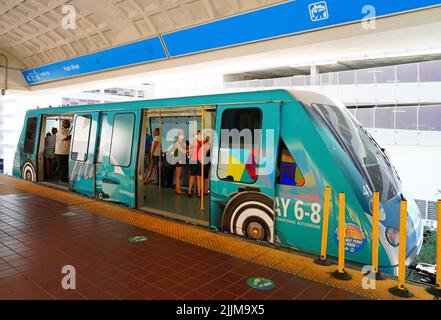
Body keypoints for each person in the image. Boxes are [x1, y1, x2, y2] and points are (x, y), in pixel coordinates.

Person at [167, 130, 187, 195]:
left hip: (180, 160)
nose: (183, 136)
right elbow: (183, 151)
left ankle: (177, 188)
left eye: (183, 134)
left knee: (179, 174)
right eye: (181, 134)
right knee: (178, 175)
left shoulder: (180, 142)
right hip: (179, 160)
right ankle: (178, 189)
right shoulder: (177, 142)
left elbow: (171, 150)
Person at [188, 131, 203, 197]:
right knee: (193, 176)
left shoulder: (202, 142)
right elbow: (190, 151)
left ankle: (199, 192)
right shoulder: (193, 142)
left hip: (199, 160)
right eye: (197, 134)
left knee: (198, 177)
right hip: (194, 160)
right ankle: (189, 190)